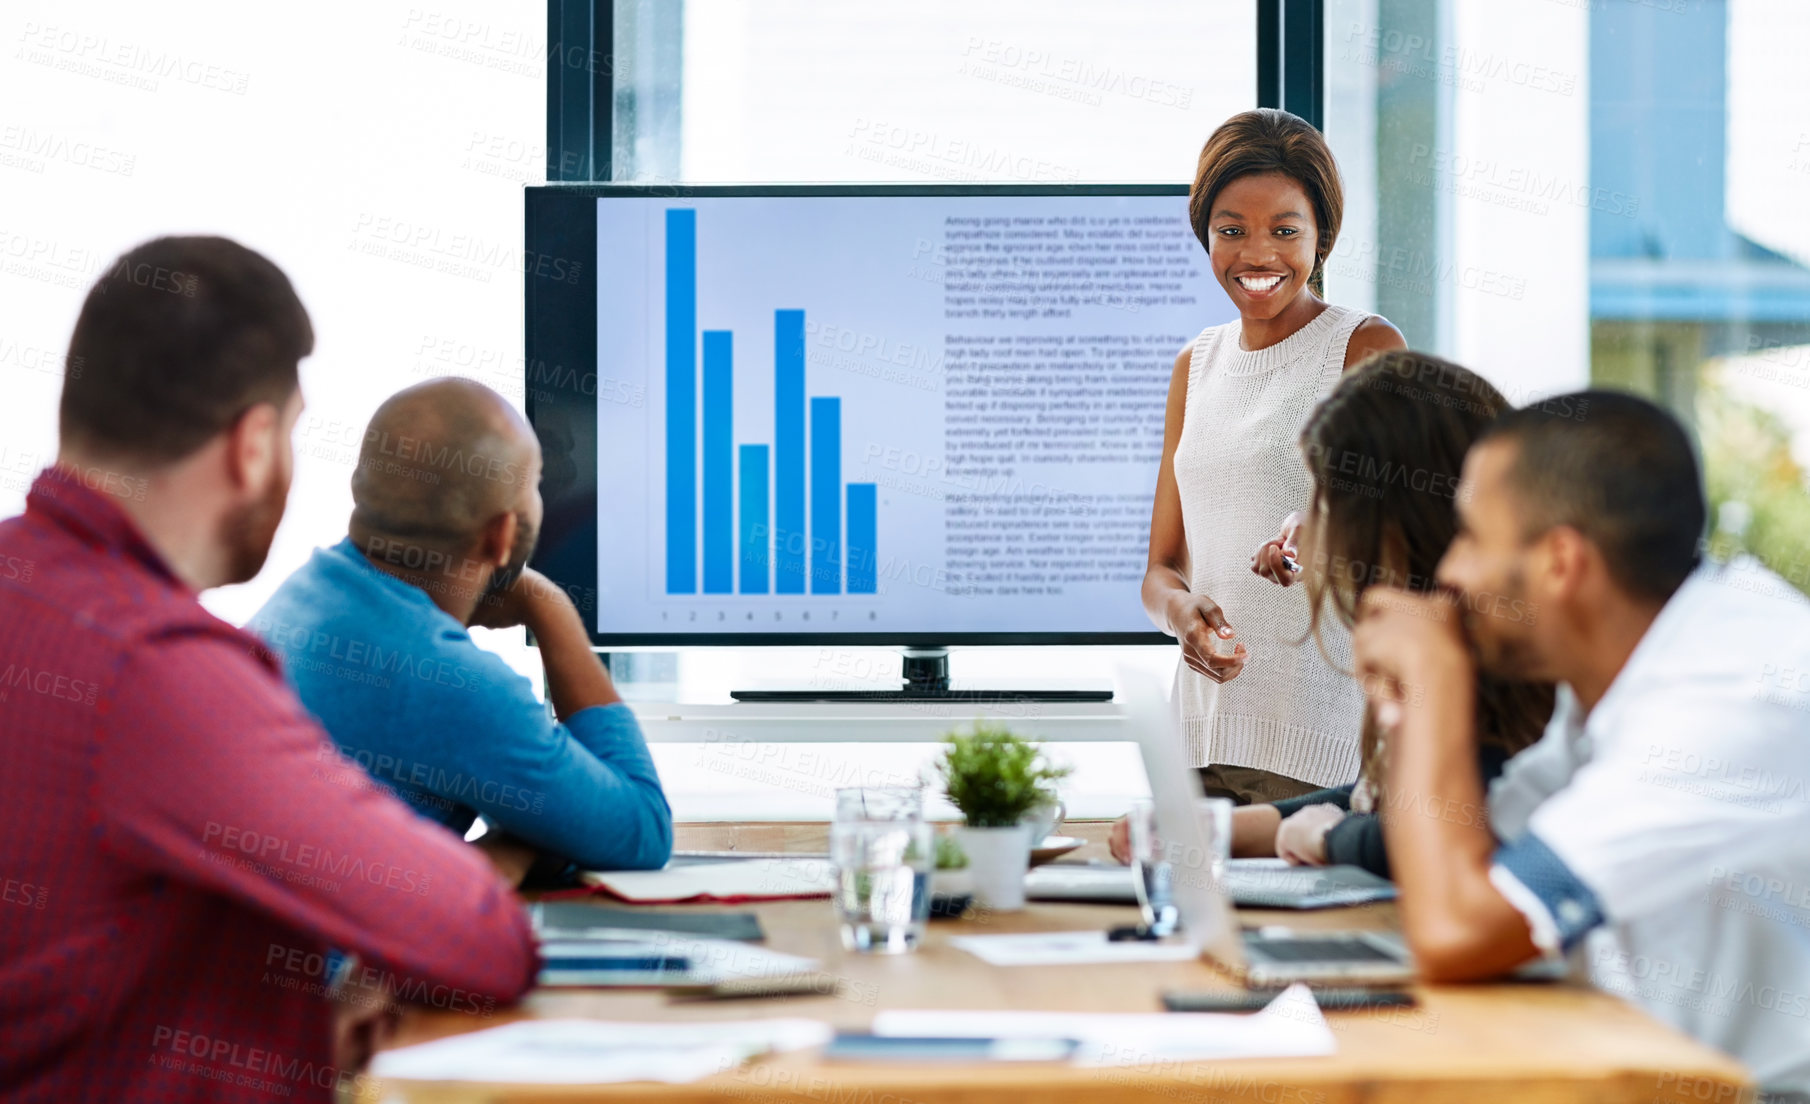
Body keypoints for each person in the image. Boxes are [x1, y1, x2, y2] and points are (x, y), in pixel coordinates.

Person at [0, 237, 536, 1103]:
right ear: (253, 445)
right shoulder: (155, 670)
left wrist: (305, 1013)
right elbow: (483, 940)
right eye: (290, 433)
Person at [1352, 391, 1810, 1095]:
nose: (1449, 574)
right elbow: (1476, 853)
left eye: (1471, 536)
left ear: (1560, 562)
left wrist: (1431, 678)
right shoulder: (1625, 667)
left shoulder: (1733, 691)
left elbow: (1456, 929)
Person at [1113, 352, 1553, 874]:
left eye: (1320, 493)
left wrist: (1331, 840)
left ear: (1391, 522)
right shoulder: (1457, 638)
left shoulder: (1473, 664)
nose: (1301, 520)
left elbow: (1443, 830)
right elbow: (1380, 801)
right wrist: (1219, 831)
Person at [251, 379, 673, 875]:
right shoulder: (449, 682)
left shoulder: (299, 598)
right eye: (536, 484)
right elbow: (642, 830)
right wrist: (550, 608)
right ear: (503, 535)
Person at [1146, 108, 1406, 805]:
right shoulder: (1194, 365)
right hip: (1195, 737)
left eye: (1285, 231)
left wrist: (1321, 538)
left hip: (1319, 745)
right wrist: (1183, 616)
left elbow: (1410, 549)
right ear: (1206, 232)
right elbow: (1161, 566)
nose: (1257, 256)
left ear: (1322, 238)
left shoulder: (1364, 347)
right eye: (1232, 230)